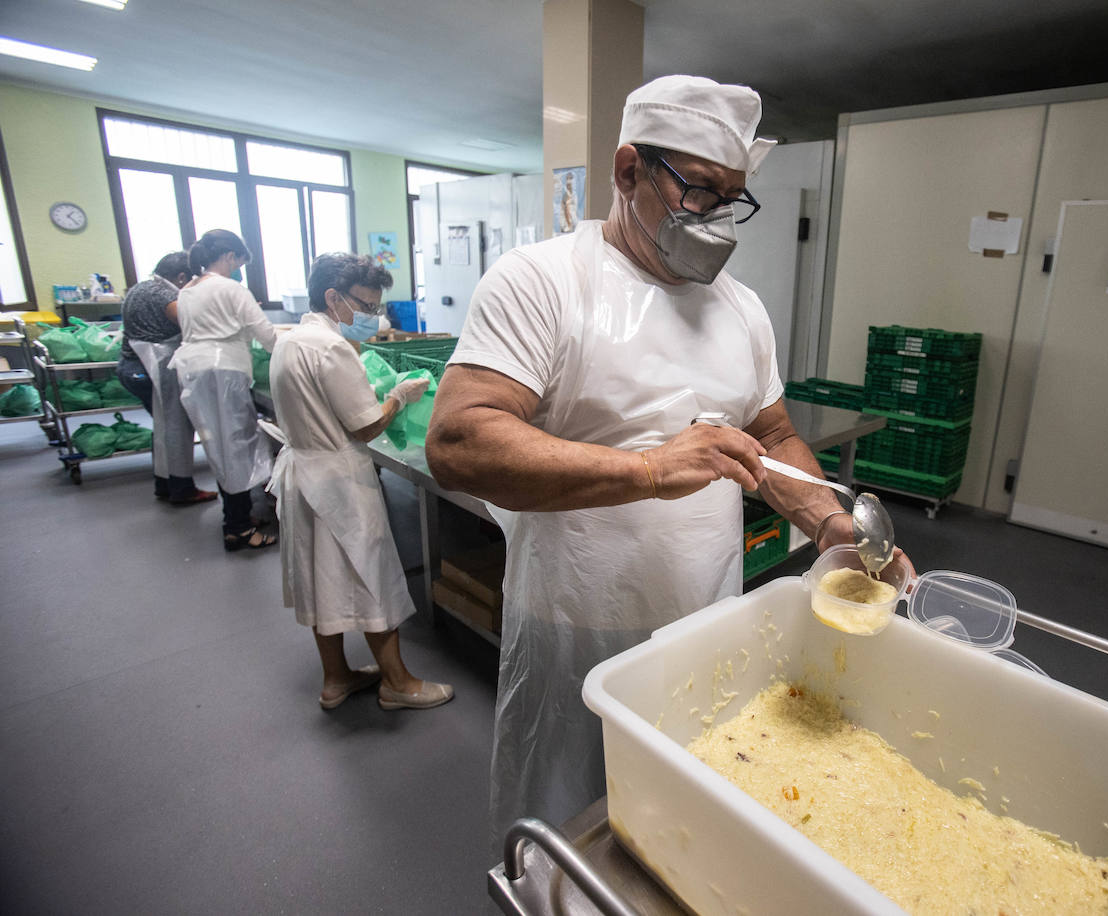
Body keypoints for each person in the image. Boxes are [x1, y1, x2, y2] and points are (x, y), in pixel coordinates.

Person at [427, 75, 897, 842]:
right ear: (627, 171)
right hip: (575, 617)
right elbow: (458, 439)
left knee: (683, 815)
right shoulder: (544, 280)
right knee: (571, 818)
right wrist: (645, 470)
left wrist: (835, 529)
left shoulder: (739, 308)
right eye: (699, 189)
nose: (715, 218)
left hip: (707, 616)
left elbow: (774, 437)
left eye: (732, 197)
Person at [266, 252, 453, 711]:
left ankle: (336, 679)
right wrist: (398, 396)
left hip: (303, 474)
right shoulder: (329, 347)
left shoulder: (291, 340)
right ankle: (398, 683)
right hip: (337, 480)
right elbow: (367, 427)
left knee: (320, 579)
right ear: (333, 297)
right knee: (372, 576)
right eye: (365, 306)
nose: (372, 317)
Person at [170, 229, 278, 551]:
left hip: (193, 370)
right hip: (223, 371)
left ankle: (238, 515)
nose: (238, 269)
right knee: (235, 446)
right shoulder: (231, 288)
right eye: (239, 262)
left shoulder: (188, 290)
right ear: (230, 255)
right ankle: (239, 528)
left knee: (217, 445)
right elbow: (267, 334)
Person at [116, 250, 216, 504]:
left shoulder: (140, 288)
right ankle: (182, 489)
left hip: (132, 367)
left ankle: (164, 483)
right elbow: (191, 323)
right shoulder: (164, 294)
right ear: (182, 277)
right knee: (176, 427)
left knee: (162, 428)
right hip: (153, 370)